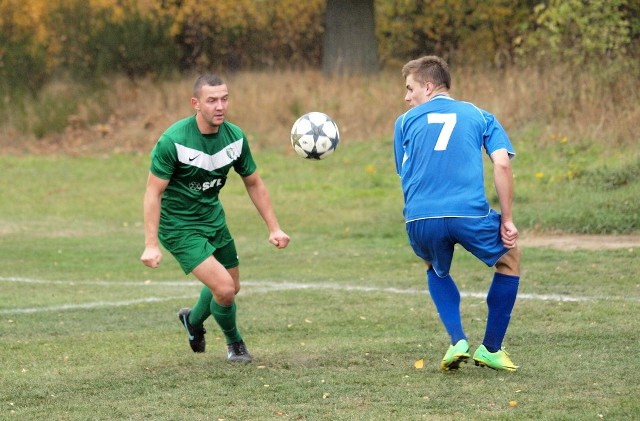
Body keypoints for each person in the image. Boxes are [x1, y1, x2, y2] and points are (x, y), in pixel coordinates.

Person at [140, 74, 290, 362]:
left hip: (213, 220)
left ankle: (193, 321)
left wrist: (274, 228)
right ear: (196, 104)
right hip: (179, 227)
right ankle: (235, 344)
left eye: (224, 99)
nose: (220, 106)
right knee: (223, 289)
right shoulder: (173, 141)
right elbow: (152, 192)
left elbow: (254, 183)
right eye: (212, 100)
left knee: (232, 286)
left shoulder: (235, 138)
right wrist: (150, 244)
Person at [393, 56, 521, 372]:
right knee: (510, 260)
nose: (406, 98)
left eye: (410, 89)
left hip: (420, 217)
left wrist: (417, 214)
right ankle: (490, 349)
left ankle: (457, 340)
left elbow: (404, 172)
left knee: (433, 266)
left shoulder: (404, 122)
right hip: (468, 213)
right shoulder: (480, 116)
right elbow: (502, 164)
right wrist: (506, 219)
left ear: (428, 85)